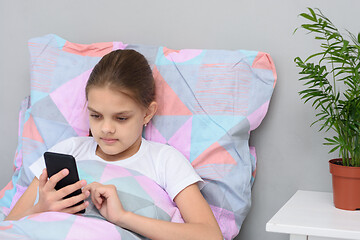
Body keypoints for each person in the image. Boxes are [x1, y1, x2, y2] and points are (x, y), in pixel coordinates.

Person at [5, 49, 223, 240]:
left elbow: (209, 235)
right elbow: (10, 224)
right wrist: (41, 208)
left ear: (147, 113)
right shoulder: (68, 150)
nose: (106, 129)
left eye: (121, 118)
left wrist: (123, 217)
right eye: (96, 116)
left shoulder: (164, 160)